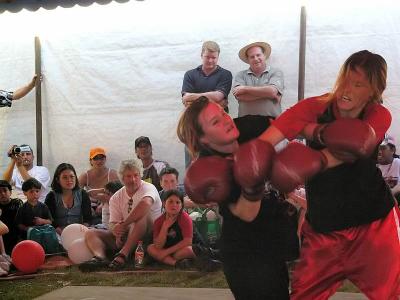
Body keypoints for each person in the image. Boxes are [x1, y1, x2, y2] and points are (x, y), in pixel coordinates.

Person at [257, 50, 399, 299]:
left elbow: (353, 147)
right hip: (324, 227)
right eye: (345, 79)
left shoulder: (378, 115)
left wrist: (310, 140)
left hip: (374, 225)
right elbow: (264, 143)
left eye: (358, 84)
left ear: (373, 91)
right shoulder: (313, 107)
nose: (347, 89)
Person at [177, 96, 291, 299]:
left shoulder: (244, 126)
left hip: (271, 237)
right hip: (245, 251)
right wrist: (253, 173)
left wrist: (319, 132)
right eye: (215, 122)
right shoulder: (210, 167)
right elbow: (246, 213)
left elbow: (285, 124)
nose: (226, 120)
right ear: (204, 138)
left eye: (223, 113)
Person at [81, 159, 162, 270]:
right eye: (129, 176)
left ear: (140, 175)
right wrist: (117, 231)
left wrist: (124, 225)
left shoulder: (148, 187)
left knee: (142, 216)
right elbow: (113, 223)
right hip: (127, 235)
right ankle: (100, 258)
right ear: (122, 178)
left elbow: (145, 204)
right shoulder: (116, 197)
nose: (133, 180)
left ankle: (123, 254)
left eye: (136, 175)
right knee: (90, 233)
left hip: (150, 236)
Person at [232, 42, 284, 118]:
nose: (256, 58)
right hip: (245, 123)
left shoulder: (276, 72)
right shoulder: (240, 75)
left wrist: (245, 89)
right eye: (252, 57)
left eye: (258, 55)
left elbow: (272, 92)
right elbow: (240, 96)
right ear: (248, 60)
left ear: (264, 56)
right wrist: (268, 95)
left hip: (272, 123)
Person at [147, 189, 195, 268]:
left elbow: (188, 241)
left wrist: (165, 253)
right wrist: (165, 227)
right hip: (165, 248)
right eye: (170, 202)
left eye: (178, 202)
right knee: (150, 248)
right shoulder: (158, 221)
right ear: (164, 203)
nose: (174, 205)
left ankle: (167, 259)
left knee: (188, 251)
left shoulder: (185, 218)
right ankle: (176, 263)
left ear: (181, 205)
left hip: (180, 249)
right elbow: (158, 246)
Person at [181, 41, 233, 112]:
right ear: (201, 55)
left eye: (214, 57)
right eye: (207, 57)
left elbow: (218, 97)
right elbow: (186, 100)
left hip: (218, 119)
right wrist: (216, 102)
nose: (210, 60)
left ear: (218, 57)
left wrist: (192, 97)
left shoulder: (226, 74)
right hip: (195, 118)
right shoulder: (190, 74)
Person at [45, 163, 92, 235]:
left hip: (79, 231)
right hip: (57, 233)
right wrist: (60, 232)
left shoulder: (82, 194)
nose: (69, 180)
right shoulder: (51, 196)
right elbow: (49, 220)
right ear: (57, 180)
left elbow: (88, 219)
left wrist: (81, 230)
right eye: (65, 177)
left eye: (72, 176)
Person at [78, 147, 119, 224]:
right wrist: (88, 206)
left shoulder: (112, 174)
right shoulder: (85, 176)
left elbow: (119, 195)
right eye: (95, 158)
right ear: (91, 161)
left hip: (109, 210)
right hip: (90, 212)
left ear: (105, 160)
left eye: (101, 158)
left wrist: (105, 202)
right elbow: (76, 195)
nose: (99, 161)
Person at [0, 180, 23, 254]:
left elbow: (21, 223)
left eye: (5, 190)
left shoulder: (17, 203)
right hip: (2, 239)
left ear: (10, 192)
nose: (2, 193)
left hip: (16, 237)